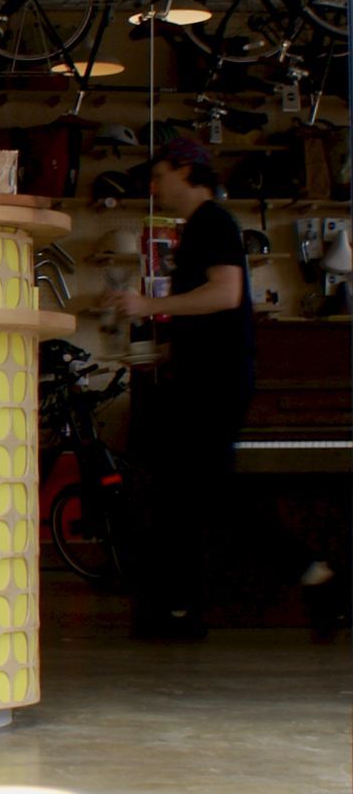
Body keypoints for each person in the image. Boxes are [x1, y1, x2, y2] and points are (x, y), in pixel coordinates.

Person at [104, 137, 335, 637]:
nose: (154, 185)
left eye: (160, 173)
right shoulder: (203, 228)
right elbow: (214, 315)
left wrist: (147, 308)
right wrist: (167, 350)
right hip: (205, 378)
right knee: (189, 494)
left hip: (213, 387)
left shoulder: (212, 222)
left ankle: (310, 574)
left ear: (188, 170)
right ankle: (184, 608)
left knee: (203, 492)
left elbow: (227, 294)